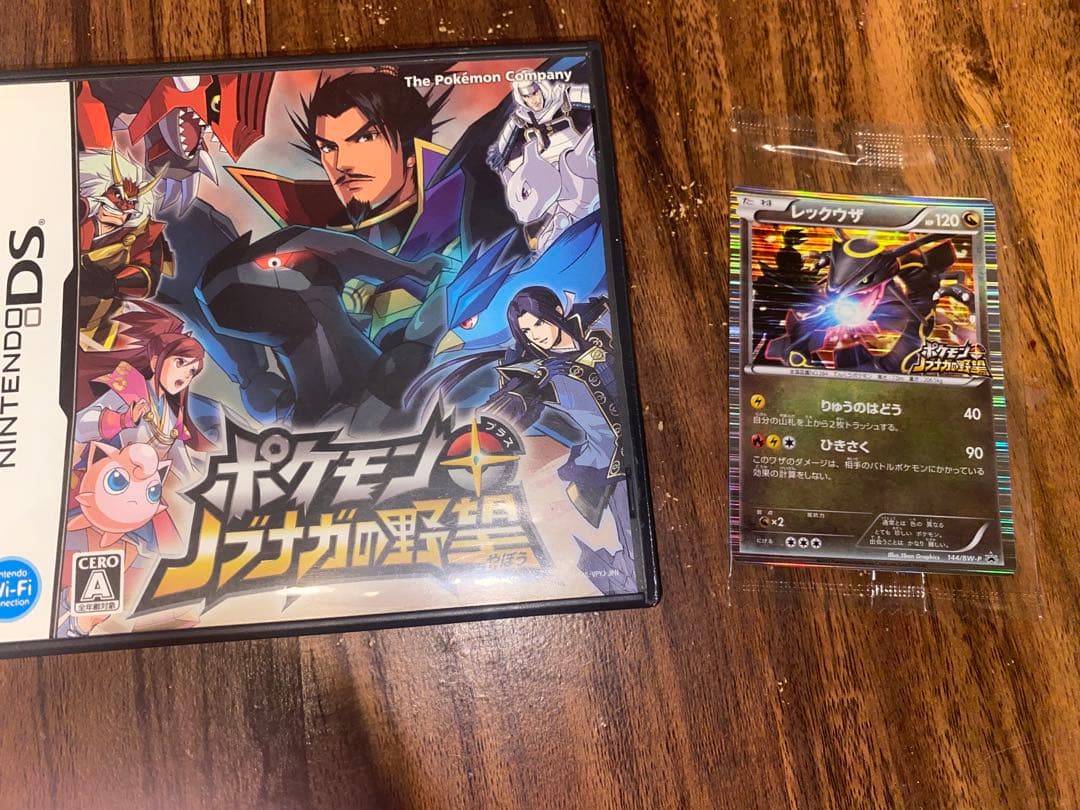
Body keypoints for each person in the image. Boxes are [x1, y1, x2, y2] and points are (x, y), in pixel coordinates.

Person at [74, 302, 214, 482]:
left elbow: (181, 461)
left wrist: (198, 485)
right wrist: (123, 419)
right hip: (100, 480)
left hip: (139, 487)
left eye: (192, 371)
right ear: (155, 362)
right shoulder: (128, 389)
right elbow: (80, 426)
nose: (186, 375)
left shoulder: (171, 415)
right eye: (180, 362)